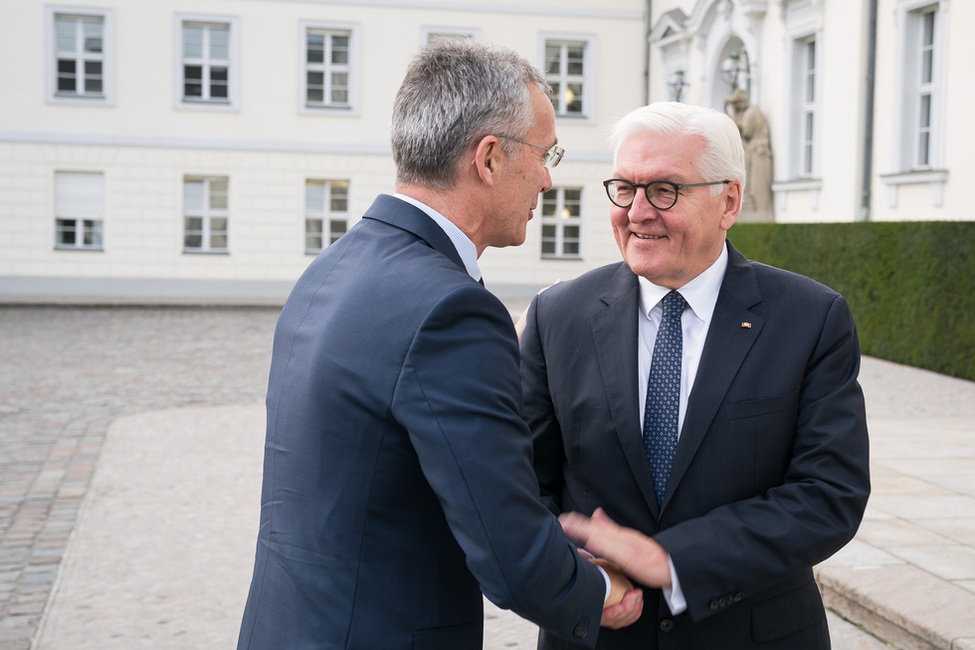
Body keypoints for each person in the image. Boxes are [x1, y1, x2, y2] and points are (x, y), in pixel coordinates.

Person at [236, 39, 641, 650]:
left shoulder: (333, 267)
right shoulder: (453, 311)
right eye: (544, 152)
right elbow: (506, 544)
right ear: (489, 159)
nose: (549, 178)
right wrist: (601, 592)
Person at [519, 101, 870, 649]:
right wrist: (579, 578)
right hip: (598, 632)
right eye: (624, 188)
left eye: (664, 190)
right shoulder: (556, 316)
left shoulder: (810, 319)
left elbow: (829, 494)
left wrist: (672, 560)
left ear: (728, 200)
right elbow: (523, 485)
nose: (637, 212)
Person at [724, 88, 773, 221]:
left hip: (757, 152)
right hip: (751, 151)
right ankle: (745, 205)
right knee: (746, 181)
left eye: (737, 104)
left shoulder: (752, 112)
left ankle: (753, 207)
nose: (736, 107)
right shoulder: (744, 112)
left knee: (754, 184)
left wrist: (729, 109)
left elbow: (744, 132)